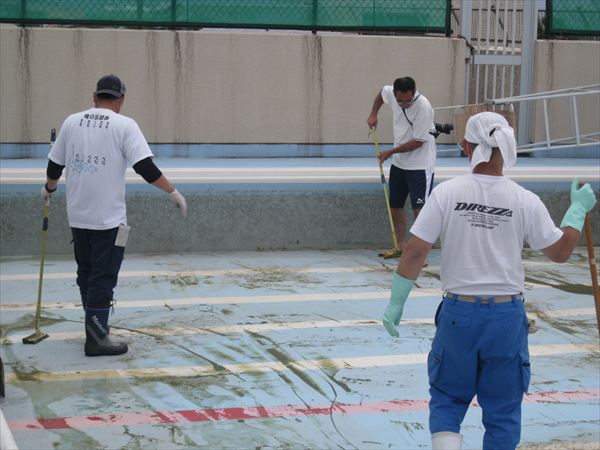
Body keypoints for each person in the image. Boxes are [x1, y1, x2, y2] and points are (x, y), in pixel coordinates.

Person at [381, 111, 597, 450]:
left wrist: (396, 302)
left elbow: (415, 252)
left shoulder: (446, 193)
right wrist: (577, 211)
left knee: (448, 399)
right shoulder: (524, 200)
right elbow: (560, 251)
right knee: (503, 411)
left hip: (459, 315)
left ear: (467, 146)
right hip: (506, 319)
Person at [41, 74, 187, 357]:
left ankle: (94, 326)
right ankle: (96, 338)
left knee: (86, 272)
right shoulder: (125, 125)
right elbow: (145, 167)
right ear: (121, 99)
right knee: (103, 276)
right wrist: (173, 192)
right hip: (108, 219)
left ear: (95, 97)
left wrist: (49, 188)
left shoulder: (71, 122)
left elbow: (54, 164)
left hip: (78, 216)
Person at [367, 76, 437, 258]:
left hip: (420, 165)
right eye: (400, 101)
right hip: (399, 164)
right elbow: (381, 94)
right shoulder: (390, 93)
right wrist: (374, 114)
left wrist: (391, 152)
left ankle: (419, 255)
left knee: (420, 210)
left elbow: (418, 142)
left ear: (414, 93)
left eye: (408, 100)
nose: (404, 104)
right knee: (395, 205)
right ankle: (401, 246)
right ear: (395, 94)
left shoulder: (423, 107)